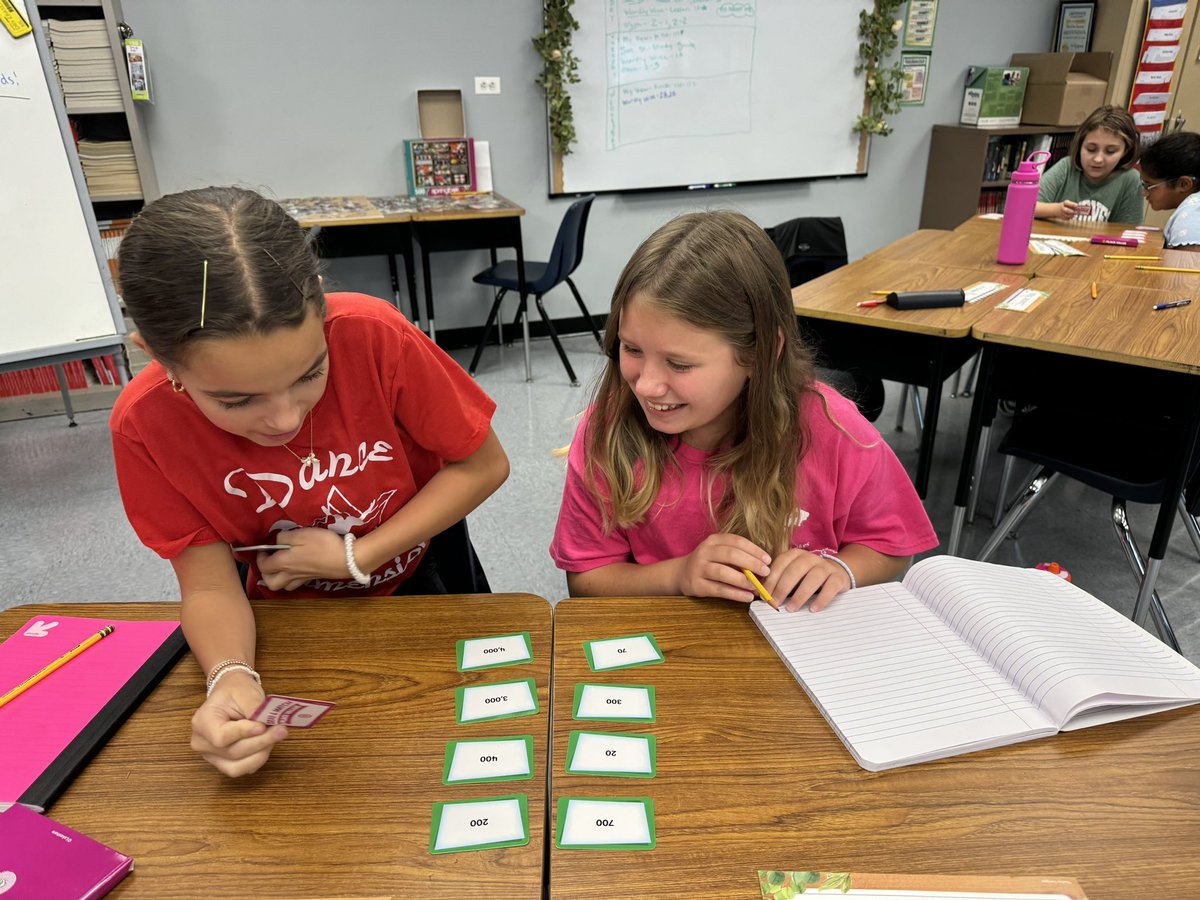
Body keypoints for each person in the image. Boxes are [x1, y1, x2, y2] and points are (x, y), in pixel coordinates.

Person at [110, 186, 509, 777]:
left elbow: (482, 464)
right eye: (235, 399)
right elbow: (210, 587)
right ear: (155, 354)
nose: (284, 418)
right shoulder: (143, 427)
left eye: (310, 373)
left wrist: (357, 556)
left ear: (320, 310)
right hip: (286, 622)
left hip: (420, 574)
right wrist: (230, 677)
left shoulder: (376, 335)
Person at [549, 211, 938, 613]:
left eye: (679, 364)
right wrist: (678, 576)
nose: (646, 385)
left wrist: (841, 570)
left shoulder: (836, 430)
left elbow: (893, 547)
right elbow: (587, 580)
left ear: (760, 352)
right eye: (631, 349)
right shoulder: (608, 432)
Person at [1034, 105, 1143, 224]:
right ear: (1080, 145)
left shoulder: (1131, 180)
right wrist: (1056, 210)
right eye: (1091, 149)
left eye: (1110, 151)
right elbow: (1024, 207)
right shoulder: (1066, 167)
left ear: (1125, 151)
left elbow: (1130, 231)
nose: (1098, 159)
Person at [1137, 130, 1200, 249]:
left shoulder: (1192, 219)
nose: (1144, 193)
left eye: (1149, 185)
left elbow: (1185, 267)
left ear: (1183, 184)